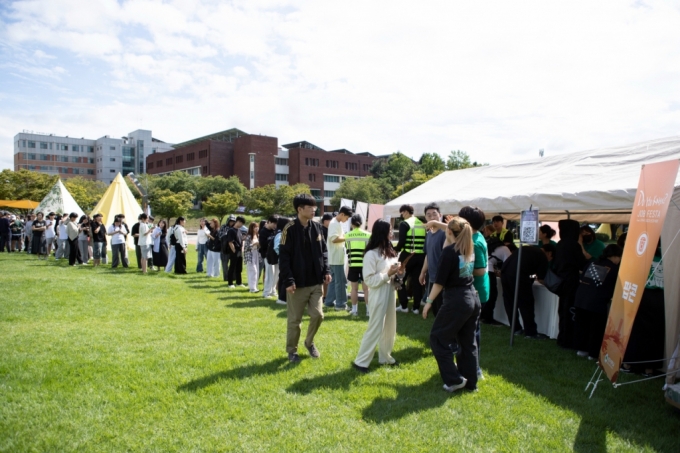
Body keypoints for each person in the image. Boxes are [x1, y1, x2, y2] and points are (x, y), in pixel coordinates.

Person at [422, 217, 480, 393]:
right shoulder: (468, 248)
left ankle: (454, 380)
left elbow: (439, 283)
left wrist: (428, 302)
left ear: (448, 232)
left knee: (438, 338)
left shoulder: (449, 252)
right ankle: (471, 383)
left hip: (456, 300)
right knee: (468, 342)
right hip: (472, 298)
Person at [279, 194, 331, 363]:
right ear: (299, 209)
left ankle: (309, 342)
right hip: (297, 284)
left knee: (318, 315)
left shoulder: (317, 227)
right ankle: (292, 351)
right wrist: (289, 280)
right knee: (295, 321)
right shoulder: (289, 229)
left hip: (316, 282)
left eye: (314, 207)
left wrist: (326, 270)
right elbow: (284, 257)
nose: (314, 210)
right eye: (310, 207)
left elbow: (323, 251)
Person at [352, 220, 400, 372]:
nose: (392, 233)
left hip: (390, 290)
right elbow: (369, 280)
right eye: (390, 230)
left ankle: (385, 357)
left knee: (390, 326)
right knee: (375, 327)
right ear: (382, 232)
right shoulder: (370, 254)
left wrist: (397, 274)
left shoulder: (389, 251)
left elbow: (391, 271)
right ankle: (361, 361)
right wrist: (388, 274)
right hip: (378, 292)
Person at [622, 241, 665, 376]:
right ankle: (649, 368)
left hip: (641, 295)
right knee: (655, 333)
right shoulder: (665, 255)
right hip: (660, 298)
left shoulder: (639, 256)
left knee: (635, 331)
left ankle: (629, 364)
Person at [573, 244, 622, 360]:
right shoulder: (614, 269)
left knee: (582, 325)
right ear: (615, 256)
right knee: (596, 328)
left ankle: (581, 349)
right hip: (597, 301)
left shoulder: (592, 263)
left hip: (581, 298)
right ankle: (593, 353)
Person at [500, 245, 550, 339]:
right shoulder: (542, 256)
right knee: (526, 303)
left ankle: (515, 328)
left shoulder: (529, 249)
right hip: (518, 276)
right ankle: (530, 332)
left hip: (505, 272)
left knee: (510, 302)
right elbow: (542, 278)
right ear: (550, 253)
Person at [553, 219, 587, 349]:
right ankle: (568, 339)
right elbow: (582, 263)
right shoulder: (573, 245)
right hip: (571, 282)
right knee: (570, 311)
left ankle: (563, 337)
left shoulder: (560, 243)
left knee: (563, 310)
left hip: (562, 280)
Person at [394, 204, 426, 314]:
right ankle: (416, 308)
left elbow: (401, 241)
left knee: (399, 280)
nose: (401, 215)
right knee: (417, 282)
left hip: (408, 255)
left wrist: (395, 249)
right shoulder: (422, 222)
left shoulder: (405, 223)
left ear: (406, 212)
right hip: (421, 256)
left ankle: (403, 306)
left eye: (402, 212)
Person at [419, 203, 447, 317]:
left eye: (434, 214)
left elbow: (458, 230)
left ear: (440, 215)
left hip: (443, 278)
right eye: (428, 215)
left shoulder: (446, 233)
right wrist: (422, 272)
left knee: (443, 311)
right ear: (425, 217)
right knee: (436, 310)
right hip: (432, 277)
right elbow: (428, 255)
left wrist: (436, 223)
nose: (431, 217)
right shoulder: (429, 234)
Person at [480, 225, 511, 325]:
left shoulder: (487, 245)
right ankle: (488, 318)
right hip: (489, 272)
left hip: (480, 271)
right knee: (492, 295)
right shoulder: (504, 249)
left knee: (483, 295)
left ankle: (481, 316)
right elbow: (509, 263)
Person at [325, 206, 353, 311]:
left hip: (335, 257)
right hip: (336, 257)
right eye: (346, 218)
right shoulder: (334, 224)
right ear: (342, 214)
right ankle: (340, 304)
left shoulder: (335, 223)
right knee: (341, 282)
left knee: (334, 280)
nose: (346, 220)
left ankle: (329, 302)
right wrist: (347, 237)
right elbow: (334, 239)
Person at [345, 214, 371, 316]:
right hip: (365, 264)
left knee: (354, 288)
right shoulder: (368, 235)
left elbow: (347, 249)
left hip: (353, 264)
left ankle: (354, 310)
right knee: (366, 289)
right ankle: (368, 311)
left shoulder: (347, 235)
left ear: (351, 223)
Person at [272, 217, 291, 305]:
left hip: (285, 259)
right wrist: (284, 254)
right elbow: (276, 247)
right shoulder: (280, 234)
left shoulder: (284, 233)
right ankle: (282, 298)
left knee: (283, 277)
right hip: (283, 260)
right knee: (284, 278)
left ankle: (283, 298)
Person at [259, 215, 279, 298]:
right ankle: (266, 292)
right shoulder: (263, 231)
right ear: (269, 222)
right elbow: (262, 245)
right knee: (270, 273)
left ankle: (273, 290)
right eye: (274, 223)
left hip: (276, 255)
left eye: (276, 224)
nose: (275, 226)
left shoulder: (275, 231)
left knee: (277, 273)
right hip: (267, 255)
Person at [225, 216, 245, 288]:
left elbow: (240, 240)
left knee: (239, 268)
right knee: (232, 267)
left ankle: (239, 282)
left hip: (239, 251)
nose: (241, 225)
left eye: (242, 224)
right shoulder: (231, 230)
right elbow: (230, 242)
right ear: (237, 221)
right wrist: (234, 251)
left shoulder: (239, 231)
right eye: (241, 223)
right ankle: (230, 283)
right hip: (234, 251)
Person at [244, 222, 260, 292]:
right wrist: (254, 244)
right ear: (251, 228)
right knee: (253, 271)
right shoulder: (249, 236)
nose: (256, 228)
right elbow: (246, 247)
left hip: (256, 254)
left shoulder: (257, 235)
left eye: (257, 227)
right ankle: (252, 288)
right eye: (254, 227)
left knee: (257, 270)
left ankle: (254, 286)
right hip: (250, 254)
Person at [219, 215, 236, 281]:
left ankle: (233, 277)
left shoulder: (235, 228)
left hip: (232, 248)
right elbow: (220, 236)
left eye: (233, 221)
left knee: (233, 264)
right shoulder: (223, 227)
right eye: (230, 221)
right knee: (224, 264)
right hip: (224, 248)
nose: (231, 223)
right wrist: (227, 235)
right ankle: (226, 277)